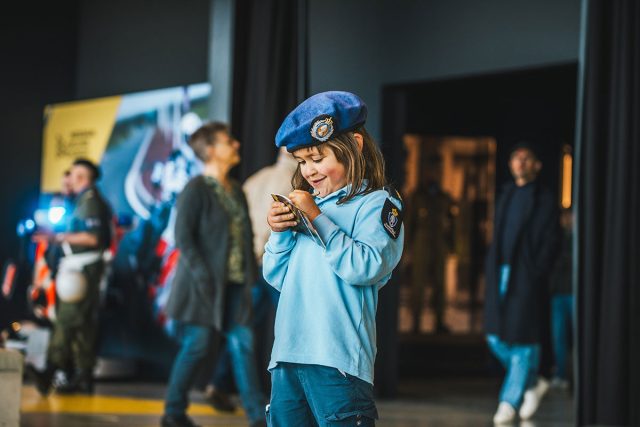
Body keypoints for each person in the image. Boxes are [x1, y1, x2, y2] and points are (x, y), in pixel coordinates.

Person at [263, 91, 405, 426]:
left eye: (316, 157)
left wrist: (317, 219)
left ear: (354, 144)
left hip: (337, 360)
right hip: (287, 356)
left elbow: (366, 267)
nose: (308, 171)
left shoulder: (380, 203)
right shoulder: (310, 205)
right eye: (301, 161)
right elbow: (276, 276)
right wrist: (280, 231)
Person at [161, 122, 266, 427]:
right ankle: (173, 412)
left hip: (235, 285)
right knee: (198, 345)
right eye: (227, 141)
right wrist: (203, 276)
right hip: (201, 287)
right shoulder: (195, 189)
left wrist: (249, 276)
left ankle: (258, 417)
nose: (236, 145)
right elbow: (184, 238)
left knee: (243, 345)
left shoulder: (236, 190)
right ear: (209, 150)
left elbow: (245, 237)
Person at [204, 146, 297, 411]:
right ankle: (287, 394)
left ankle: (218, 383)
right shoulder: (296, 182)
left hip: (249, 264)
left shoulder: (256, 177)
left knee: (243, 327)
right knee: (291, 328)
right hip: (272, 264)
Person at [483, 142, 559, 424]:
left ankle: (508, 401)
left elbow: (553, 240)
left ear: (536, 165)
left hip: (525, 276)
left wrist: (537, 270)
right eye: (516, 157)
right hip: (500, 273)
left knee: (523, 341)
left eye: (526, 158)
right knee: (494, 337)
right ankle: (532, 383)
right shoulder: (505, 194)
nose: (520, 162)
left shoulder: (544, 198)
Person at [28, 158, 113, 395]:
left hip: (83, 271)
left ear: (84, 179)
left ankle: (49, 371)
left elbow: (93, 238)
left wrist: (57, 238)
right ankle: (84, 377)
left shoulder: (91, 202)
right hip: (79, 269)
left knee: (66, 320)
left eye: (75, 176)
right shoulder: (81, 201)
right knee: (84, 324)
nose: (70, 181)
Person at [549, 209, 574, 389]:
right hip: (558, 293)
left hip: (573, 292)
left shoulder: (578, 239)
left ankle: (573, 374)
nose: (566, 220)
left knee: (575, 335)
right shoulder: (556, 238)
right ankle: (561, 374)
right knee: (559, 336)